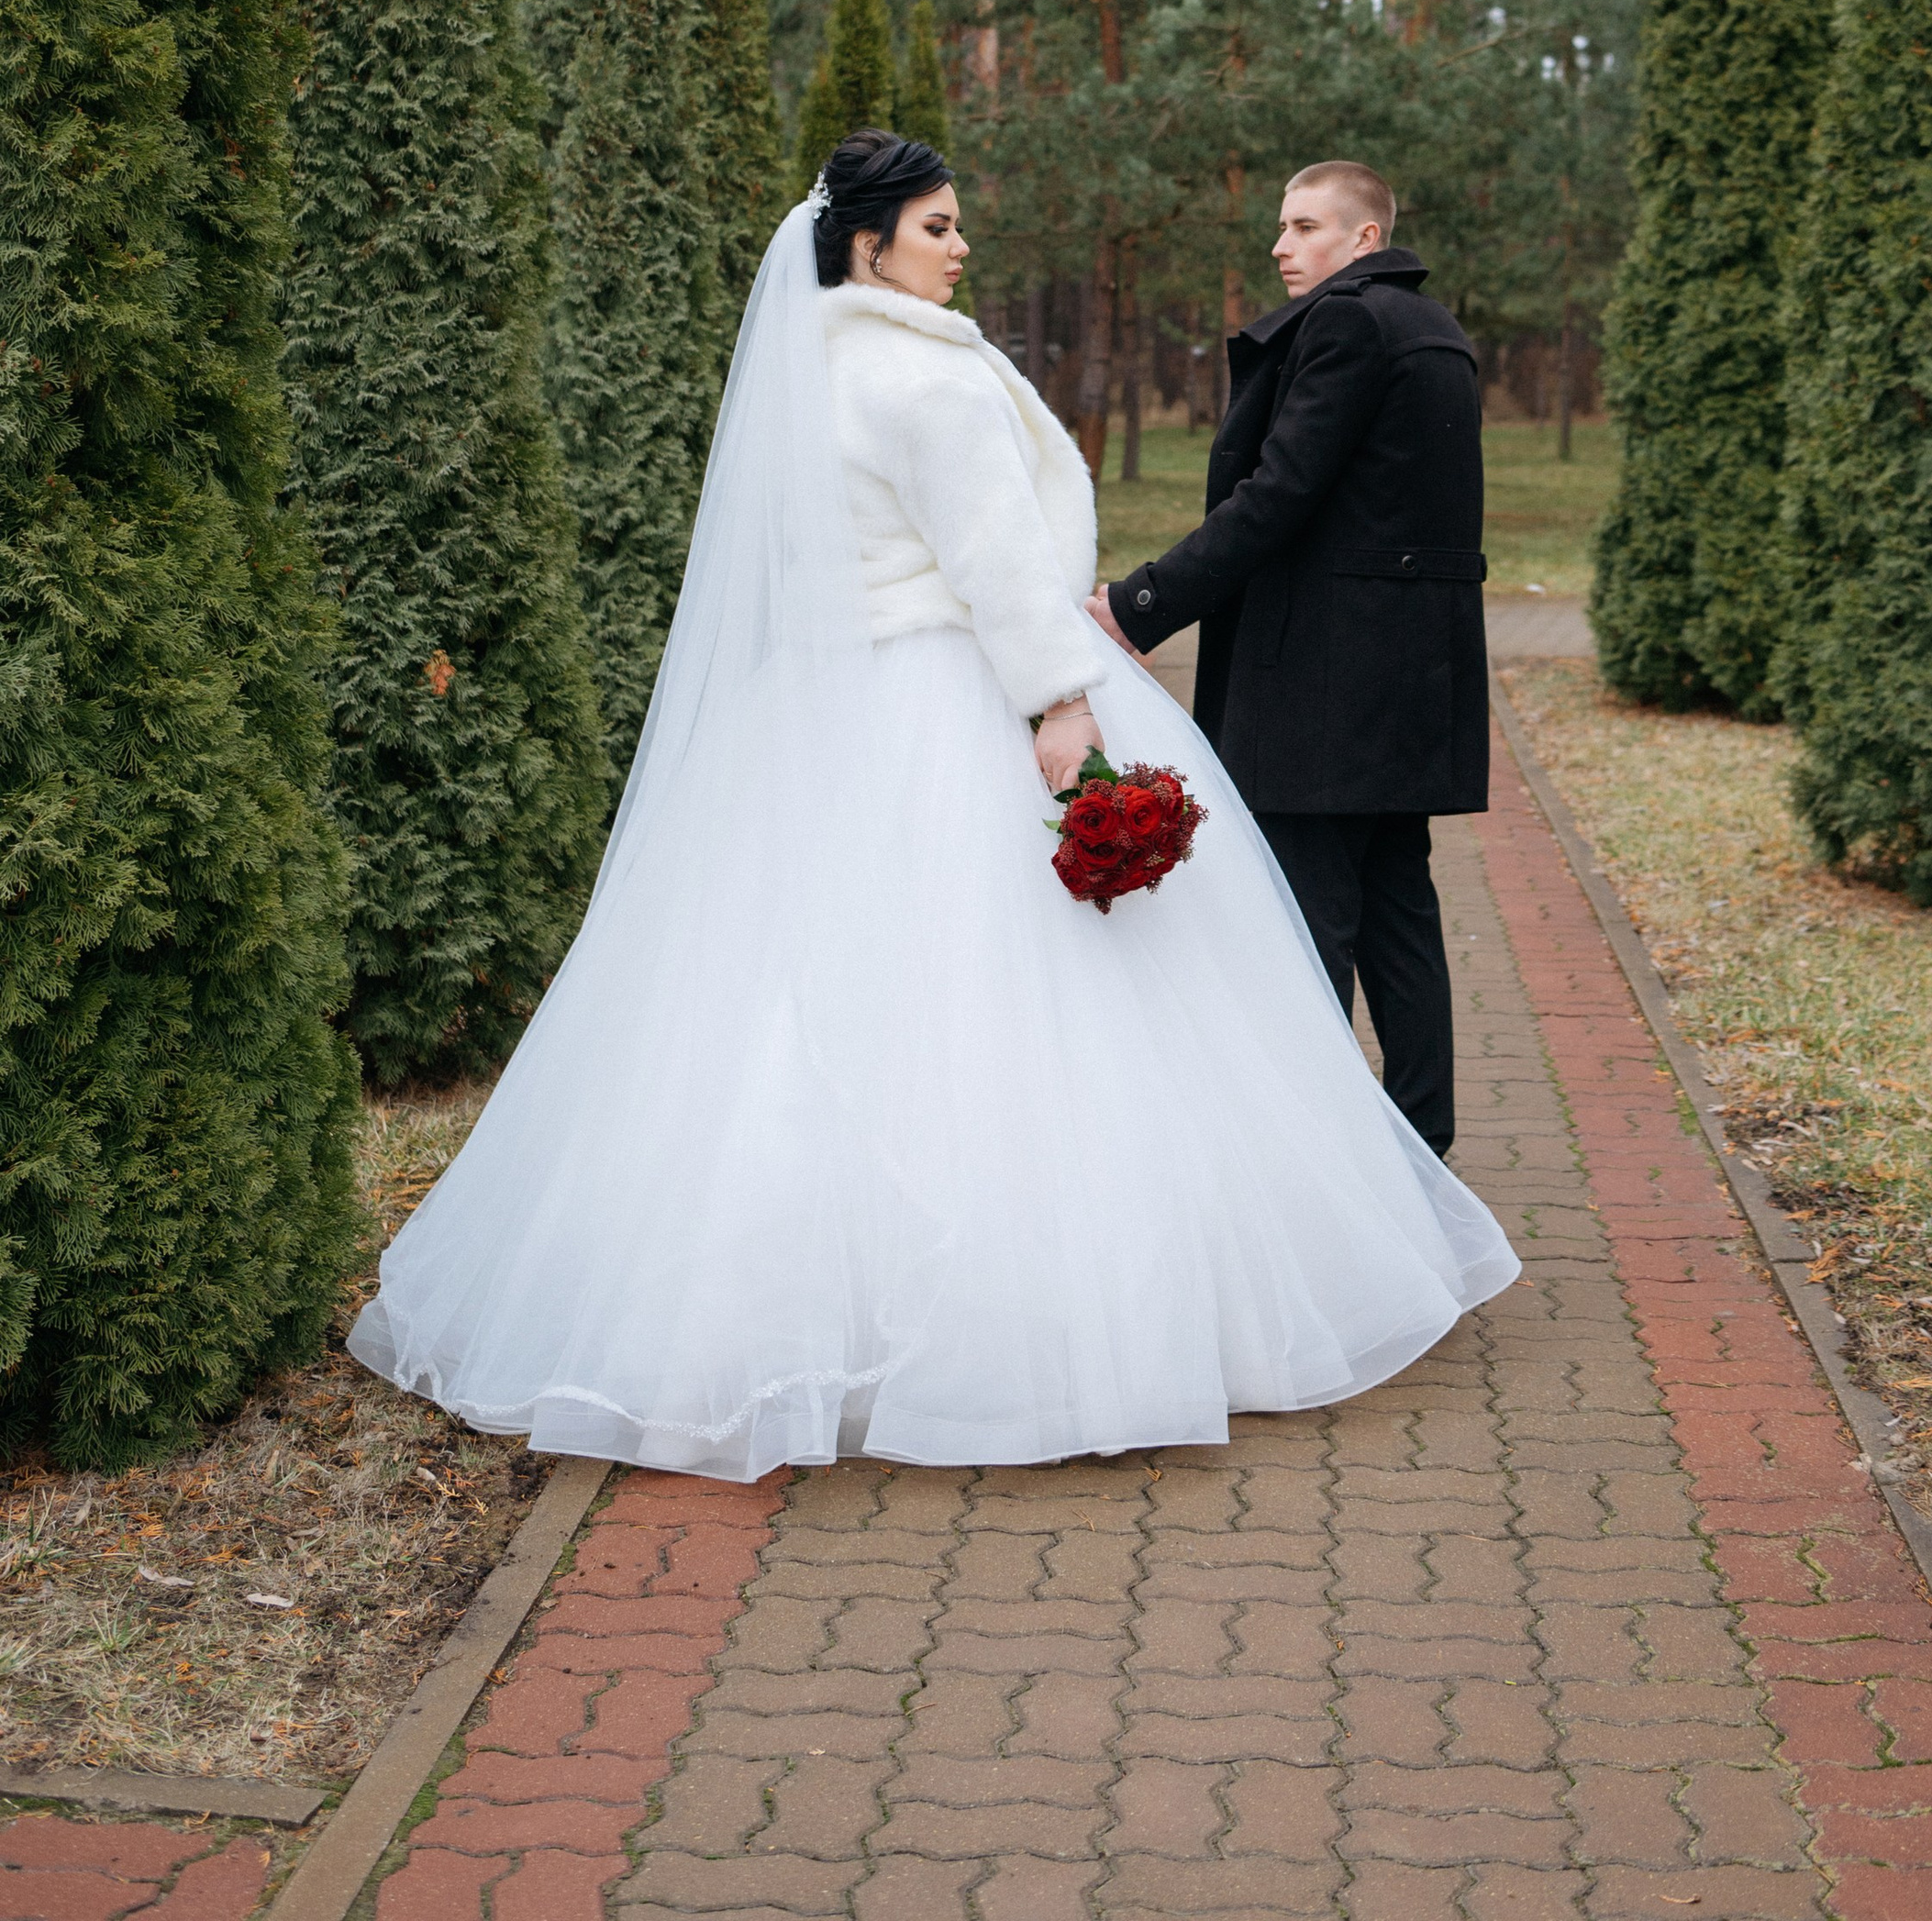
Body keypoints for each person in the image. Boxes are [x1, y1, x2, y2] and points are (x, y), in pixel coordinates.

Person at [349, 132, 1516, 1478]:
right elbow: (998, 567)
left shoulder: (821, 368)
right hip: (961, 693)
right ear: (868, 245)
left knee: (799, 999)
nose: (962, 246)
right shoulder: (930, 379)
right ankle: (1040, 1320)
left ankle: (758, 1297)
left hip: (834, 707)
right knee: (1027, 1007)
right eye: (939, 225)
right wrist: (1062, 707)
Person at [1090, 163, 1484, 1160]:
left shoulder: (1347, 326)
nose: (1280, 245)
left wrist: (1138, 605)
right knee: (1400, 914)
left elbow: (1274, 496)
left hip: (1324, 682)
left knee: (1312, 924)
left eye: (1305, 225)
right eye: (1280, 225)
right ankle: (1419, 1150)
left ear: (1363, 239)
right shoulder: (1435, 330)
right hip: (1407, 682)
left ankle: (1321, 1171)